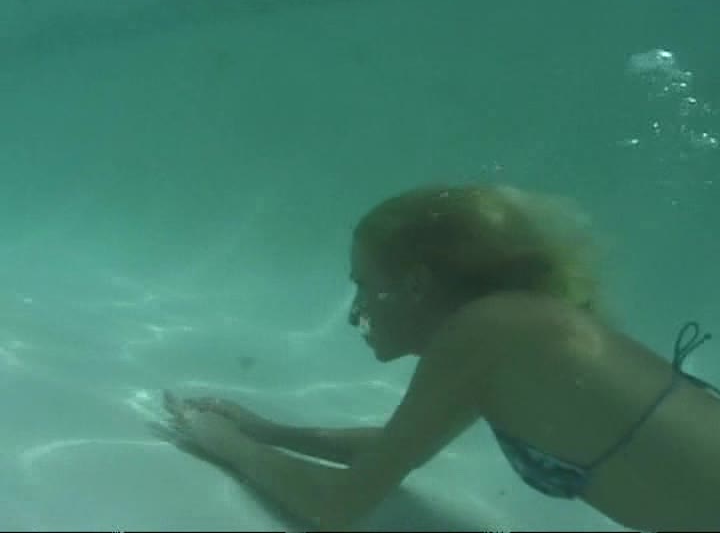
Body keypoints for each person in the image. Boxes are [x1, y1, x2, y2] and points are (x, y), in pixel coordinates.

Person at [161, 184, 720, 531]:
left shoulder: (492, 328)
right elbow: (400, 448)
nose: (356, 312)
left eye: (364, 285)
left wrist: (225, 445)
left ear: (415, 284)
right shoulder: (510, 330)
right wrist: (267, 431)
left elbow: (338, 508)